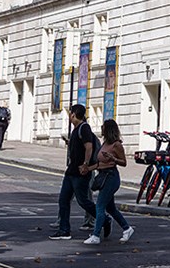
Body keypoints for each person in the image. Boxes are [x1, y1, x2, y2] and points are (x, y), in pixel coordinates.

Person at [80, 118, 133, 245]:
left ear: (108, 129)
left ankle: (96, 235)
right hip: (103, 175)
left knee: (100, 206)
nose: (101, 128)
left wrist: (113, 158)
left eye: (103, 127)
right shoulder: (105, 143)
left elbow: (124, 162)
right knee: (111, 208)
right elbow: (99, 164)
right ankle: (127, 228)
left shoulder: (116, 145)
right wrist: (87, 169)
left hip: (111, 177)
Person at [49, 104, 98, 240]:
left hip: (80, 172)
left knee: (83, 201)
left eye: (70, 113)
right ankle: (64, 230)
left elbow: (89, 147)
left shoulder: (84, 128)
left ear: (74, 115)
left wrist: (86, 164)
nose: (69, 116)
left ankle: (104, 219)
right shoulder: (76, 129)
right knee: (63, 199)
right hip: (71, 171)